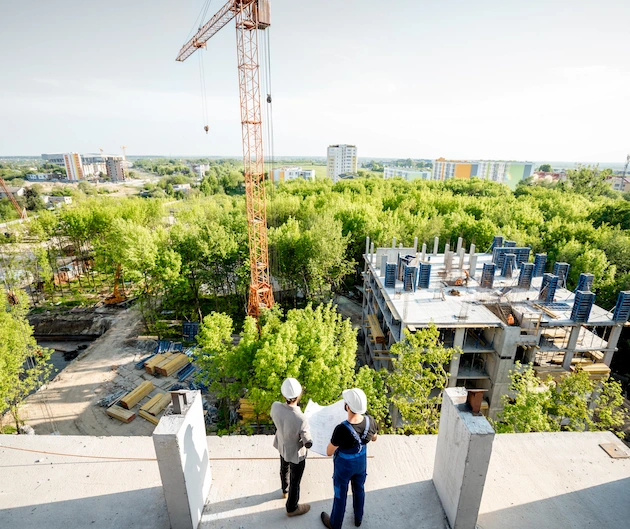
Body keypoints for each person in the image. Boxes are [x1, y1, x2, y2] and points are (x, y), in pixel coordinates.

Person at [321, 388, 378, 529]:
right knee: (359, 489)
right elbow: (374, 438)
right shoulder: (370, 421)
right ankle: (358, 518)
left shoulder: (341, 429)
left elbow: (329, 452)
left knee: (340, 494)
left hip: (344, 467)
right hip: (360, 464)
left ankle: (335, 524)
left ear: (347, 407)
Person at [270, 377, 313, 517]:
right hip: (296, 453)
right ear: (299, 395)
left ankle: (284, 490)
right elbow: (307, 441)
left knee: (284, 468)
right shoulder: (301, 418)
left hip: (282, 445)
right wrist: (310, 441)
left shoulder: (275, 406)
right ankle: (292, 507)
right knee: (296, 480)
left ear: (284, 395)